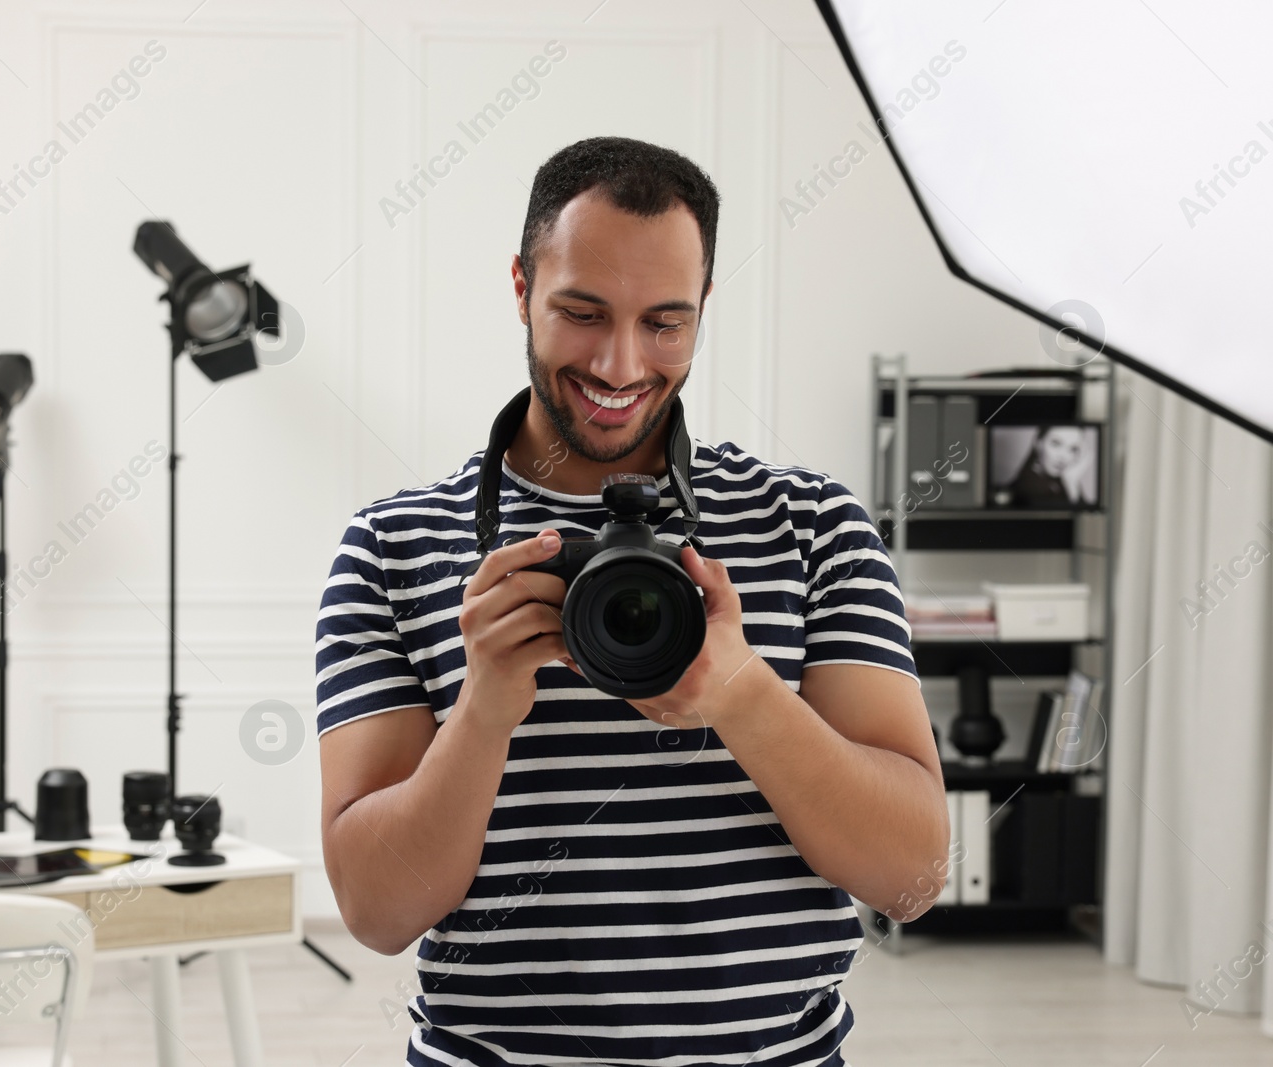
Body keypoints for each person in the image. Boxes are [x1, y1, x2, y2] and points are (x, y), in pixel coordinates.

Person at [315, 136, 948, 1067]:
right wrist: (485, 709)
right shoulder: (390, 547)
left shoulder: (812, 525)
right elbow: (376, 912)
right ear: (522, 287)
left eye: (665, 322)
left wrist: (740, 691)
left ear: (702, 313)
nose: (621, 363)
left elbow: (915, 876)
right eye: (582, 311)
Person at [1008, 425, 1096, 507]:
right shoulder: (1027, 488)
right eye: (1056, 444)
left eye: (1073, 449)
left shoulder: (1064, 480)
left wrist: (1071, 483)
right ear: (1038, 442)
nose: (1064, 456)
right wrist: (1071, 485)